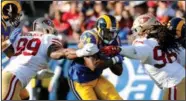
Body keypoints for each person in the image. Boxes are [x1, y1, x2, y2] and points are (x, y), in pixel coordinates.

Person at [101, 14, 185, 100]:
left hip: (174, 83)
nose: (135, 33)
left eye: (137, 30)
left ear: (146, 29)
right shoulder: (165, 40)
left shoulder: (145, 42)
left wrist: (118, 49)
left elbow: (136, 51)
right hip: (180, 80)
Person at [2, 17, 65, 100]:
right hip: (10, 77)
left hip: (11, 76)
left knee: (25, 96)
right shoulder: (47, 38)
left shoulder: (21, 37)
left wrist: (35, 74)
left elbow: (14, 56)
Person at [64, 14, 124, 100]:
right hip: (80, 79)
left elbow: (119, 71)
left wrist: (111, 57)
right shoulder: (90, 36)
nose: (111, 36)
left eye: (113, 32)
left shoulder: (116, 40)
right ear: (99, 29)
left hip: (96, 77)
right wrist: (114, 58)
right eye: (108, 32)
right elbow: (93, 65)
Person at [1, 1, 30, 100]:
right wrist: (9, 41)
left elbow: (6, 50)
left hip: (4, 66)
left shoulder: (7, 27)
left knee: (24, 94)